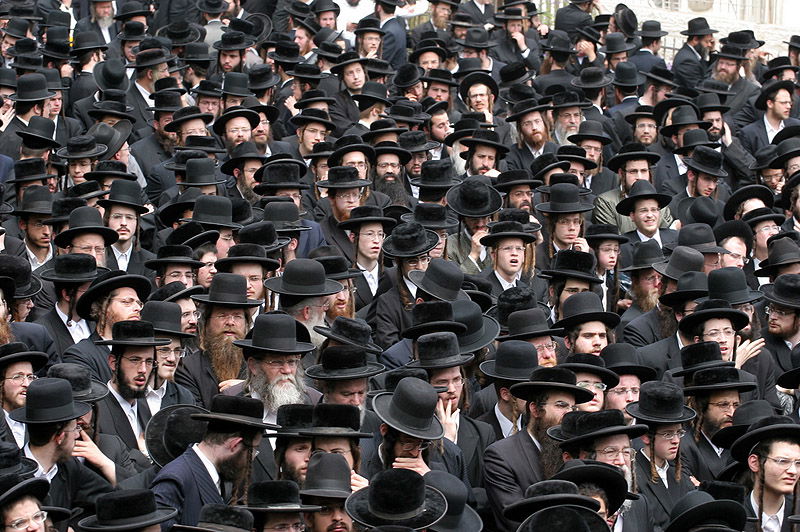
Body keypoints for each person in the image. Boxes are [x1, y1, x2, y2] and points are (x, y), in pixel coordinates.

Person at [483, 366, 593, 531]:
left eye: (572, 408)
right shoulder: (501, 456)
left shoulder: (577, 453)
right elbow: (515, 520)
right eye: (561, 405)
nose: (569, 414)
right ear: (535, 409)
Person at [151, 394, 276, 528]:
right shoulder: (175, 480)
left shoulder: (221, 476)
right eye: (253, 450)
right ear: (235, 445)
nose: (252, 458)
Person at [11, 377, 114, 510]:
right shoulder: (11, 477)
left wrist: (105, 464)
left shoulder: (69, 467)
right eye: (75, 429)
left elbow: (109, 499)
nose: (77, 435)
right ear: (60, 437)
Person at [176, 273, 263, 408]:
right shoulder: (187, 368)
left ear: (247, 324)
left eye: (237, 316)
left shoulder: (259, 366)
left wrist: (245, 387)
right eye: (222, 315)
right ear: (206, 323)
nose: (230, 322)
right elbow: (195, 415)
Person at [625, 380, 697, 529]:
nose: (676, 440)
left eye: (679, 433)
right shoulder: (633, 477)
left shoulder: (682, 477)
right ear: (646, 436)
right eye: (668, 434)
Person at [61, 269, 152, 383]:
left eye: (139, 303)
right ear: (102, 308)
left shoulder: (147, 353)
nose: (137, 308)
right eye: (127, 302)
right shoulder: (80, 355)